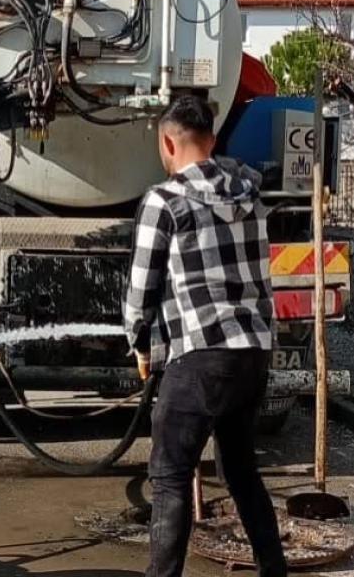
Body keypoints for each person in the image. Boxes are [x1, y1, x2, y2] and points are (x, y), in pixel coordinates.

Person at [123, 94, 288, 577]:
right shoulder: (252, 195)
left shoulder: (165, 201)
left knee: (170, 476)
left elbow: (142, 289)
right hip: (254, 352)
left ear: (168, 144)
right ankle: (272, 571)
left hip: (201, 356)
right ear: (212, 142)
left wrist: (138, 341)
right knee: (240, 471)